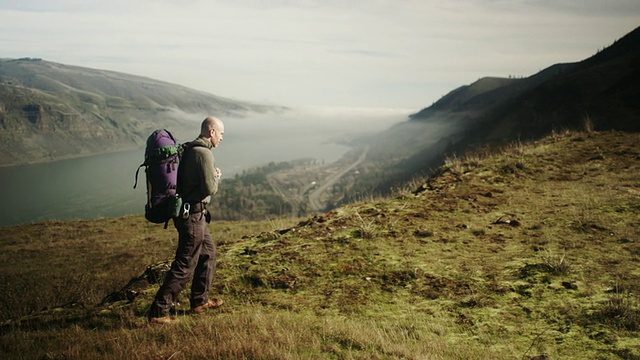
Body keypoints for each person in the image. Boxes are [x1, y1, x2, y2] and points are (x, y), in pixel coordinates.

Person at [148, 116, 225, 324]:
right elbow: (210, 188)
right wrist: (216, 176)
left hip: (191, 214)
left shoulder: (191, 149)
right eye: (221, 133)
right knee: (185, 263)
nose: (222, 138)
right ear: (211, 132)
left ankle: (199, 301)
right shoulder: (204, 153)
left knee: (208, 253)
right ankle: (159, 311)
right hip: (192, 216)